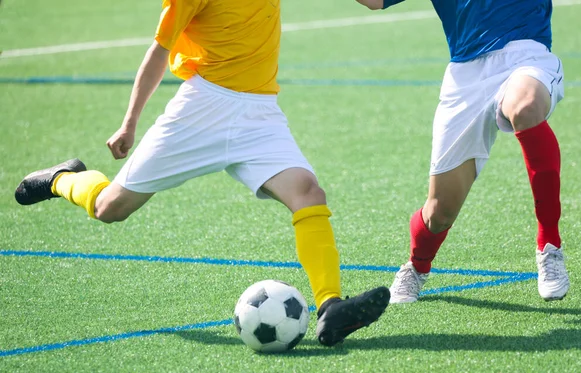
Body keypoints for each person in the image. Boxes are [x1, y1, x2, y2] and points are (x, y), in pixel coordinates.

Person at [14, 0, 390, 346]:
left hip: (259, 112)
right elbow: (161, 49)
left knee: (308, 193)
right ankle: (62, 178)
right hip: (201, 109)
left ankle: (331, 306)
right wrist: (129, 123)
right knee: (110, 207)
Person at [355, 0, 569, 303]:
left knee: (525, 105)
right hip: (465, 75)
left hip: (526, 55)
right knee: (438, 213)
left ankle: (549, 245)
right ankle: (416, 267)